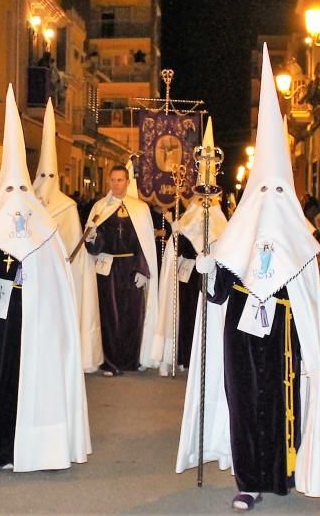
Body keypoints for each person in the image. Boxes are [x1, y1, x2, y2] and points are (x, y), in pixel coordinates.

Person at [179, 45, 320, 510]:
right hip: (242, 331)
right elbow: (218, 295)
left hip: (284, 331)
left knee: (281, 402)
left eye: (275, 188)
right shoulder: (238, 231)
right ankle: (248, 478)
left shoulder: (301, 236)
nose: (267, 196)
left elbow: (309, 297)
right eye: (260, 188)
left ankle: (281, 473)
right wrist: (211, 270)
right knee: (245, 403)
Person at [0, 84, 90, 472]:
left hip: (35, 324)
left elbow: (56, 286)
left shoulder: (46, 230)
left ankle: (34, 445)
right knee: (0, 377)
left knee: (32, 381)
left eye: (20, 188)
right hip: (0, 320)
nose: (14, 196)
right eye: (8, 188)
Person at [154, 118, 227, 376]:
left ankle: (206, 359)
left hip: (208, 278)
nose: (204, 196)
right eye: (200, 191)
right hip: (187, 278)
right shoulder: (188, 214)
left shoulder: (220, 217)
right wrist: (176, 231)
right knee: (184, 319)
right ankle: (182, 357)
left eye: (209, 191)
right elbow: (177, 244)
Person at [34, 100, 102, 372]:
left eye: (51, 174)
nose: (47, 180)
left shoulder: (67, 206)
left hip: (60, 270)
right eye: (43, 174)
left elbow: (74, 244)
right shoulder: (29, 203)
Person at [85, 164, 158, 376]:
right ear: (108, 182)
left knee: (132, 314)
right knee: (109, 315)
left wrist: (142, 270)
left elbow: (144, 243)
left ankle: (131, 359)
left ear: (127, 181)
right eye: (113, 180)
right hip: (108, 269)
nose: (116, 184)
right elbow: (94, 245)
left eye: (120, 180)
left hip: (131, 268)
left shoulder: (140, 208)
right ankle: (110, 362)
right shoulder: (100, 207)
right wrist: (92, 238)